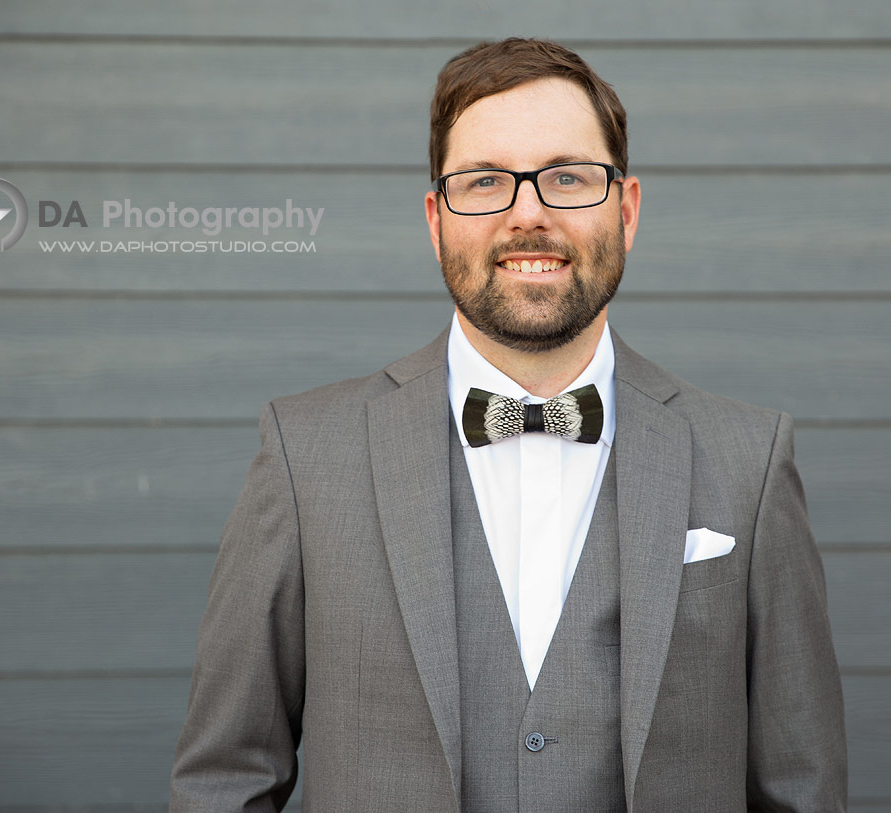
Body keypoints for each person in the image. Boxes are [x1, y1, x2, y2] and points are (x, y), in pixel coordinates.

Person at [171, 37, 847, 812]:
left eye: (567, 177)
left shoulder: (749, 462)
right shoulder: (304, 456)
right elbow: (225, 780)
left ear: (625, 211)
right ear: (436, 220)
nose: (529, 213)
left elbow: (802, 788)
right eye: (486, 181)